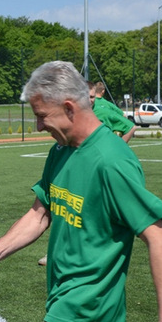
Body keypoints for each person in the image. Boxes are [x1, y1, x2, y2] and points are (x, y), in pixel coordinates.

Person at [0, 61, 162, 322]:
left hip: (84, 311)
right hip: (63, 302)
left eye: (42, 116)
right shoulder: (60, 152)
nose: (38, 126)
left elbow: (159, 238)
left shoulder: (111, 161)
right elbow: (39, 214)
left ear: (69, 108)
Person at [36, 80, 137, 266]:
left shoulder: (104, 111)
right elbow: (38, 215)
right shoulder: (59, 149)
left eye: (92, 97)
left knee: (88, 215)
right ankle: (57, 252)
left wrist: (118, 145)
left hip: (98, 164)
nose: (90, 100)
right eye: (86, 97)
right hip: (78, 160)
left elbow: (128, 124)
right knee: (66, 209)